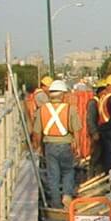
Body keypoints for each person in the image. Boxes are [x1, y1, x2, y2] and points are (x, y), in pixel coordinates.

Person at [32, 79, 79, 209]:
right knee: (68, 171)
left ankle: (56, 203)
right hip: (65, 145)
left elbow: (37, 132)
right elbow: (76, 130)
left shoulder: (42, 110)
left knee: (53, 175)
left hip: (49, 145)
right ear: (63, 95)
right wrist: (78, 146)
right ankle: (67, 195)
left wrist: (39, 147)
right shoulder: (70, 109)